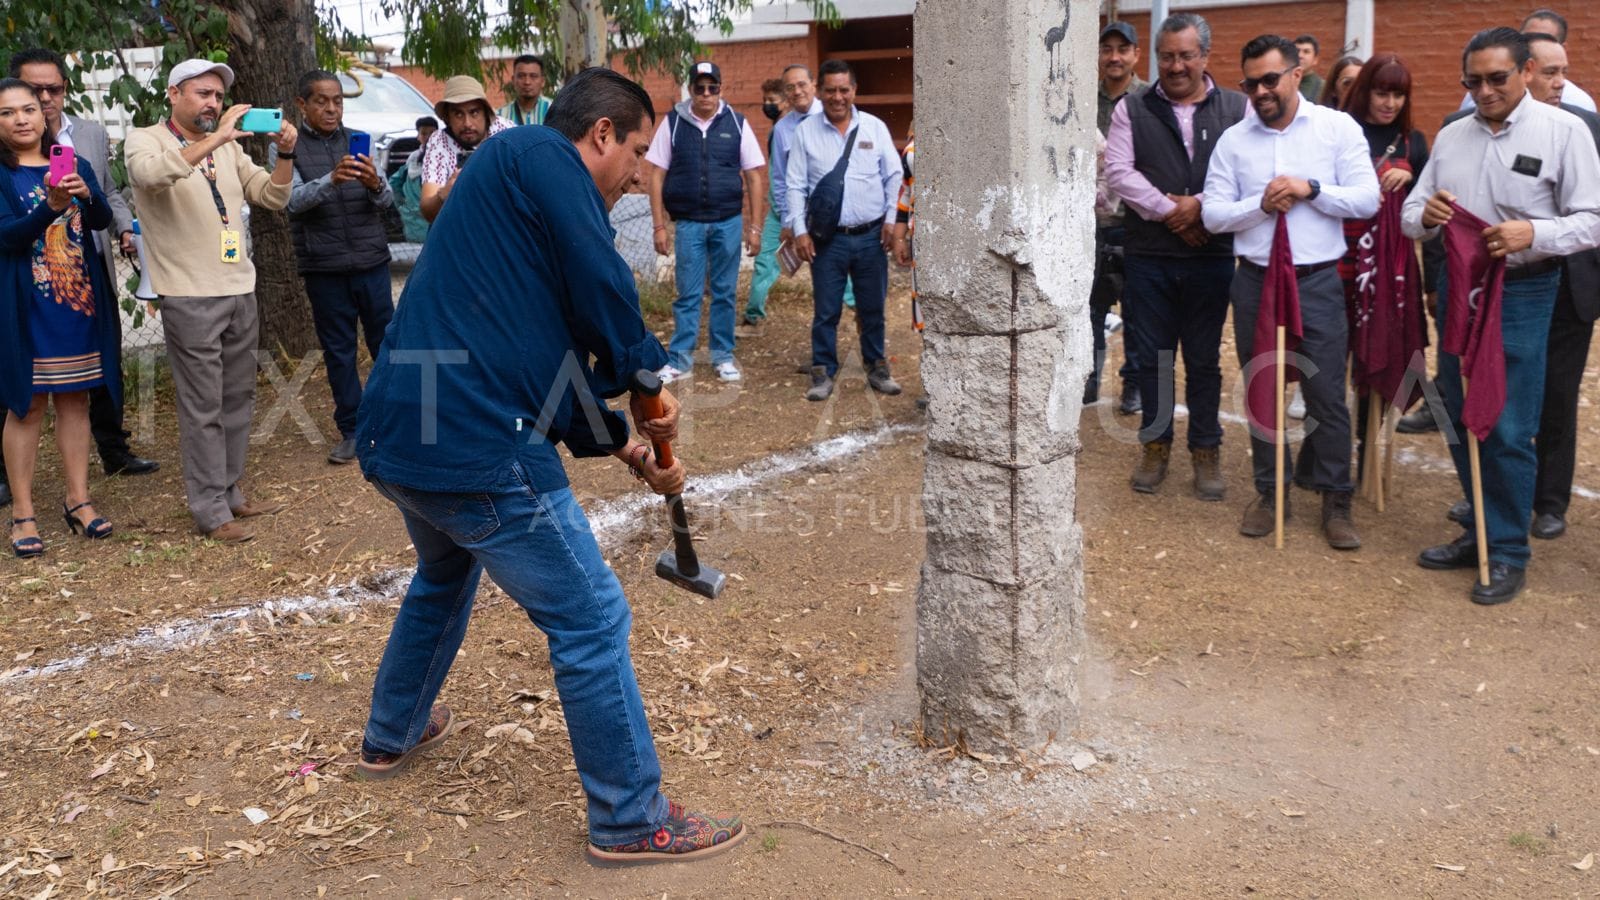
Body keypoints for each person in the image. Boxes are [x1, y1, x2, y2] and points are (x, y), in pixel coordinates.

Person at [351, 65, 744, 865]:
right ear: (600, 134)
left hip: (403, 436)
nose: (637, 178)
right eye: (634, 153)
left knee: (443, 573)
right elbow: (605, 284)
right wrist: (644, 379)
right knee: (592, 617)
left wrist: (635, 452)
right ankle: (632, 819)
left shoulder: (513, 201)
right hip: (476, 445)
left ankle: (393, 729)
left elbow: (554, 354)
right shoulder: (538, 155)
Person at [1402, 27, 1600, 604]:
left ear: (1527, 72)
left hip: (1525, 291)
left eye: (1496, 78)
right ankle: (1481, 530)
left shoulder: (1566, 132)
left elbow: (1592, 219)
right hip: (1462, 288)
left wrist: (1534, 232)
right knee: (1460, 412)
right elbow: (1414, 213)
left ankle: (1509, 550)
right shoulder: (1452, 135)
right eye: (1474, 81)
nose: (1484, 90)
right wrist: (1429, 213)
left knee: (1508, 423)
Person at [1202, 34, 1379, 549]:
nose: (1260, 91)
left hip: (1317, 280)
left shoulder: (1335, 128)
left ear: (1297, 73)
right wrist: (1261, 204)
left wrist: (1312, 189)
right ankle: (1270, 493)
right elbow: (1214, 214)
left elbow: (1367, 199)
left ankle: (1334, 500)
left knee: (1325, 393)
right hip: (1256, 279)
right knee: (1262, 391)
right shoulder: (1234, 141)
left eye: (1270, 79)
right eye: (1250, 82)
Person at [125, 59, 296, 543]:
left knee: (237, 399)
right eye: (202, 94)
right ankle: (209, 509)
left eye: (218, 97)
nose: (212, 104)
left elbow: (272, 197)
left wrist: (284, 156)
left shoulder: (229, 149)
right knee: (202, 407)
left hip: (239, 288)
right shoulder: (146, 139)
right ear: (173, 93)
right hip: (188, 294)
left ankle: (230, 490)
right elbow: (152, 176)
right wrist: (219, 137)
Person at [1105, 13, 1246, 500]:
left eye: (1186, 55)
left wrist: (1200, 209)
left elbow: (1246, 174)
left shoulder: (1237, 109)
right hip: (1151, 255)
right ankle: (1156, 445)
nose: (1177, 65)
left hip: (1211, 256)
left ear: (1205, 56)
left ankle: (1206, 450)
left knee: (1204, 360)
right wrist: (1172, 212)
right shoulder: (1132, 108)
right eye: (1168, 56)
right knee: (1154, 359)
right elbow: (1119, 172)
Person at [7, 49, 160, 485]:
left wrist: (120, 227)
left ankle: (112, 453)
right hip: (27, 283)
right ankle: (12, 486)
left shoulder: (86, 137)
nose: (44, 98)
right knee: (26, 393)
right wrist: (52, 208)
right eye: (33, 90)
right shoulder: (6, 165)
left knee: (90, 380)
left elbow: (105, 196)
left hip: (86, 276)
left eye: (52, 89)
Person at [0, 79, 122, 556]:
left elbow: (99, 221)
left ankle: (78, 500)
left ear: (44, 112)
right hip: (26, 308)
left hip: (77, 305)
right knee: (26, 406)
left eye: (28, 109)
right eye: (7, 113)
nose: (21, 119)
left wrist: (86, 196)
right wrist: (49, 209)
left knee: (75, 401)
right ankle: (23, 512)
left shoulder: (71, 161)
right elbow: (8, 237)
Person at [271, 69, 395, 465]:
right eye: (321, 101)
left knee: (388, 344)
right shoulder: (284, 149)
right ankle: (353, 430)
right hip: (324, 266)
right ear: (302, 104)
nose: (331, 108)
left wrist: (375, 183)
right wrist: (331, 180)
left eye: (337, 101)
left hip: (371, 260)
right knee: (340, 352)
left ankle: (397, 421)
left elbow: (387, 201)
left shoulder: (360, 140)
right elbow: (288, 201)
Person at [1329, 53, 1429, 483]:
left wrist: (1412, 180)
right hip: (1336, 260)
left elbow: (1430, 205)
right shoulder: (1336, 132)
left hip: (1389, 268)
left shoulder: (1416, 144)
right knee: (1332, 360)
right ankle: (1323, 456)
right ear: (1364, 90)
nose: (1389, 102)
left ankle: (1367, 453)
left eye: (1398, 94)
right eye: (1381, 91)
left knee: (1380, 350)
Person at [786, 59, 904, 401]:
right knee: (826, 310)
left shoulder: (875, 128)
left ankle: (877, 367)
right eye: (831, 90)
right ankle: (822, 371)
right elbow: (795, 185)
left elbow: (894, 176)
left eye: (844, 89)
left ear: (854, 90)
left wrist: (889, 221)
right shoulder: (805, 132)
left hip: (870, 237)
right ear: (820, 92)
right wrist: (800, 230)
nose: (838, 97)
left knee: (872, 308)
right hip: (827, 240)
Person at [645, 61, 765, 383]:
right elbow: (655, 175)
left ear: (720, 90)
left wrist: (755, 228)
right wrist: (658, 226)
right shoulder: (672, 123)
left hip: (728, 222)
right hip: (689, 225)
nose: (706, 94)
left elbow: (753, 176)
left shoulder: (737, 123)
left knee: (724, 292)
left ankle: (722, 356)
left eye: (713, 87)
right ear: (691, 90)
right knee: (688, 293)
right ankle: (680, 359)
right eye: (700, 87)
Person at [769, 64, 855, 327]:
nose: (797, 91)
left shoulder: (836, 116)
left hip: (836, 215)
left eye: (802, 84)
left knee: (852, 283)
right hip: (803, 216)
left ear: (813, 85)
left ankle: (870, 348)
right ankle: (824, 352)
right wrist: (788, 221)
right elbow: (781, 179)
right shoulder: (782, 129)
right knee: (823, 282)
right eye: (790, 87)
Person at [1092, 20, 1149, 414]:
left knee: (1139, 309)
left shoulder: (1149, 99)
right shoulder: (1079, 96)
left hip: (1136, 222)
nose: (1114, 56)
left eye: (1122, 49)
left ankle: (1134, 384)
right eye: (1107, 48)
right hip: (1088, 223)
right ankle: (1088, 380)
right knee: (1089, 309)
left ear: (1135, 55)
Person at [1458, 9, 1596, 113]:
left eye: (1546, 39)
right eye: (1524, 39)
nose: (1486, 92)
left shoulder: (1578, 109)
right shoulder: (1479, 94)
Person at [420, 76, 511, 222]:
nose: (467, 123)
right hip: (459, 226)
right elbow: (427, 210)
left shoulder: (507, 132)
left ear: (486, 113)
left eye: (474, 112)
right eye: (458, 114)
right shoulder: (439, 141)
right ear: (447, 118)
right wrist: (443, 196)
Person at [740, 76, 788, 339]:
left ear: (786, 101)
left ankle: (853, 304)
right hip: (778, 209)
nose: (768, 105)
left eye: (773, 100)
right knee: (764, 261)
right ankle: (753, 313)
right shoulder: (774, 131)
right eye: (765, 100)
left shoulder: (795, 129)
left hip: (800, 210)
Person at [387, 116, 435, 243]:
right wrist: (403, 206)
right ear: (418, 136)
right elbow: (395, 182)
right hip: (414, 221)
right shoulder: (413, 159)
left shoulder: (446, 157)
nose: (428, 137)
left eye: (432, 133)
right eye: (424, 133)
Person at [496, 54, 552, 126]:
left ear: (543, 81)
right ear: (513, 80)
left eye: (533, 76)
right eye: (521, 76)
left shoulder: (554, 111)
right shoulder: (501, 116)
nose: (527, 82)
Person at [1294, 35, 1324, 102]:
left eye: (1306, 52)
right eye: (1296, 51)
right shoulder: (1282, 83)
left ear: (1315, 60)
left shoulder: (1323, 88)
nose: (1300, 55)